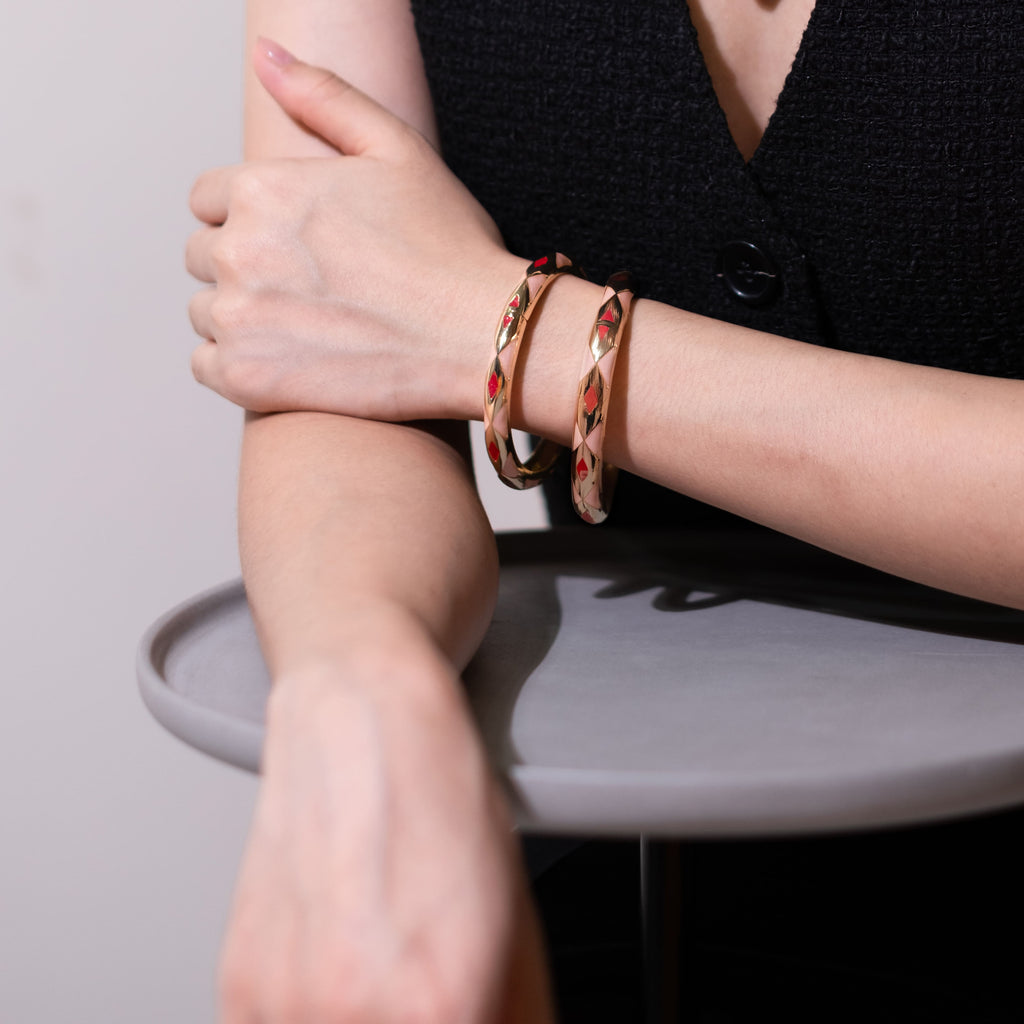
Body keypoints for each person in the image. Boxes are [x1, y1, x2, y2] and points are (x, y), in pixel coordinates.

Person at [185, 0, 1024, 1020]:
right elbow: (335, 346)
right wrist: (361, 690)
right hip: (628, 835)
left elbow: (402, 311)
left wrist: (506, 330)